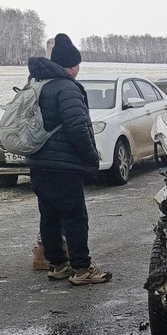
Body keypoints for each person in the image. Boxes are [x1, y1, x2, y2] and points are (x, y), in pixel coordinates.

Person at [25, 33, 112, 285]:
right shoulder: (67, 88)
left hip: (38, 161)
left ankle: (57, 265)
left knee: (49, 214)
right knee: (74, 216)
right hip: (64, 165)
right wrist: (90, 158)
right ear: (72, 66)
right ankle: (82, 269)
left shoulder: (37, 84)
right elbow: (77, 127)